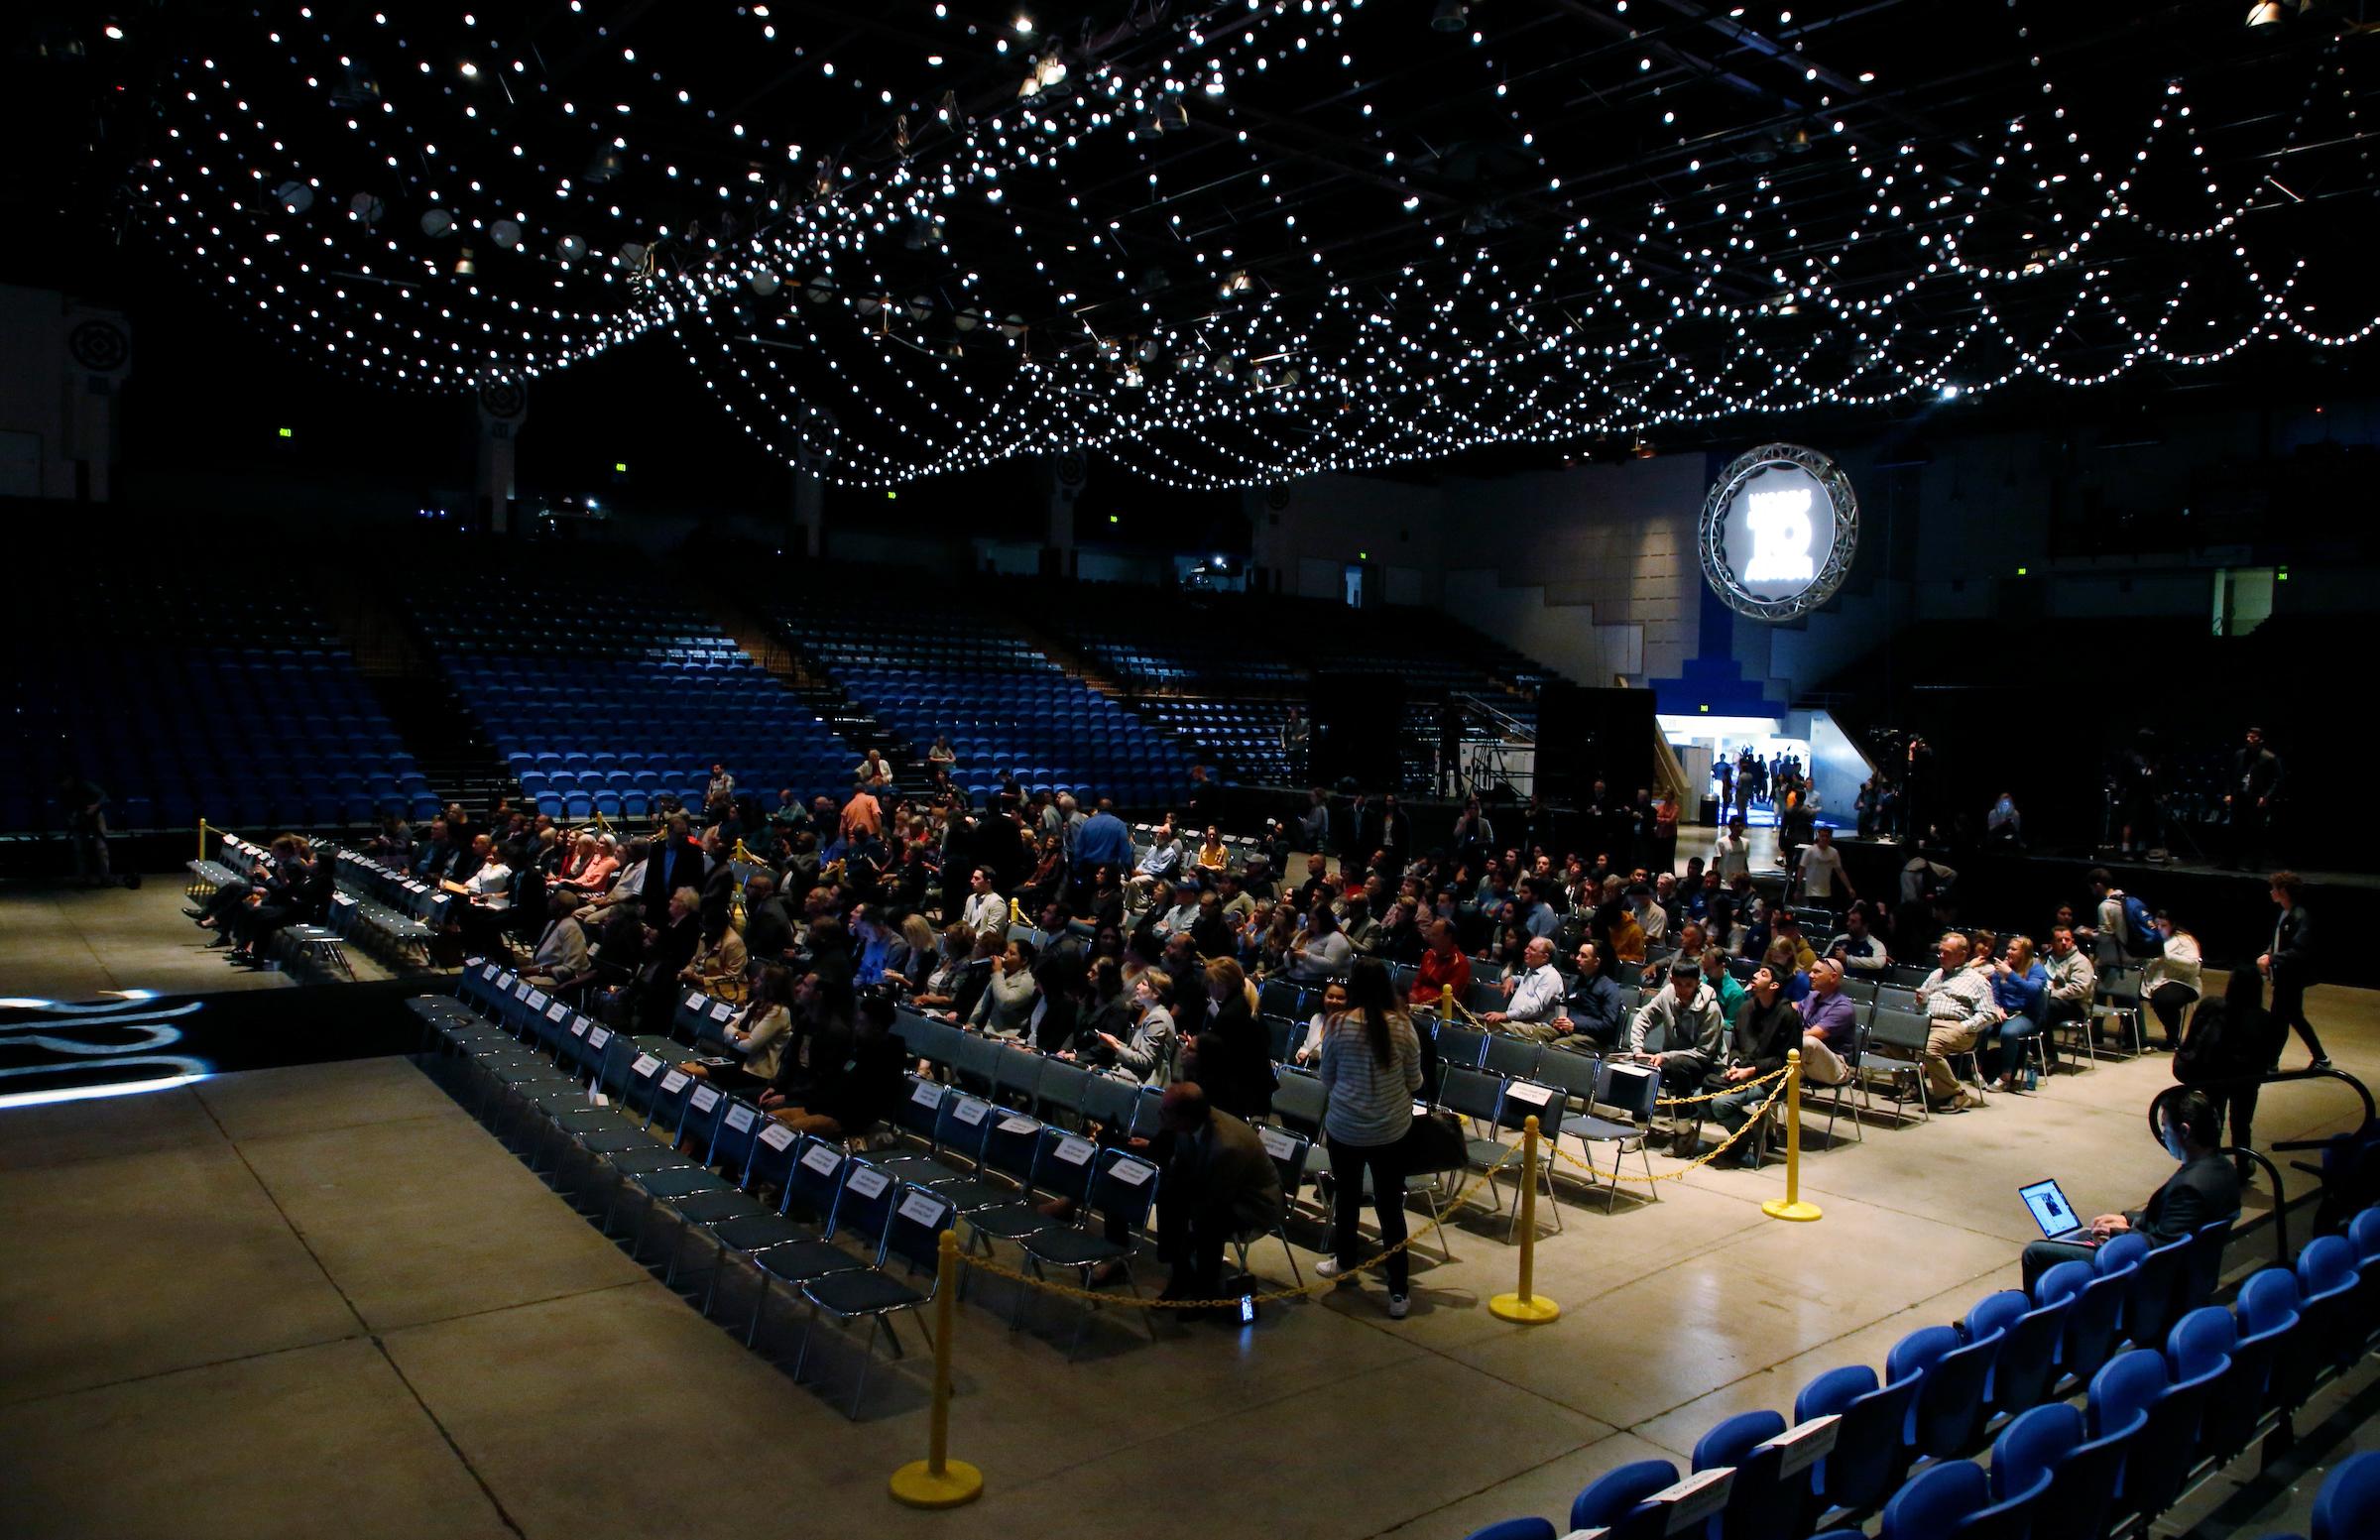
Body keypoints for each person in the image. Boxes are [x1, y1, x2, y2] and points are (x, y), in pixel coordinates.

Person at [2019, 1090, 2241, 1293]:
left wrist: (2117, 1235)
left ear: (2184, 1130)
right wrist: (2126, 1219)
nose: (2163, 1136)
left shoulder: (2190, 1186)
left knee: (2036, 1252)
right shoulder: (2223, 1169)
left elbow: (2163, 1249)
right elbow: (2173, 1224)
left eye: (2165, 1127)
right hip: (2192, 1270)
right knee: (2082, 1237)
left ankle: (2038, 1326)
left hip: (2152, 1277)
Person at [1314, 957, 1424, 1318]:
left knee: (1345, 1197)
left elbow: (1326, 1076)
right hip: (1391, 1130)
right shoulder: (1404, 1026)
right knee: (1390, 1207)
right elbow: (1415, 1080)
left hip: (1345, 1128)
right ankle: (1397, 1290)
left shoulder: (1338, 1024)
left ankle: (1345, 1261)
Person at [1148, 1082, 1286, 1311]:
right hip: (1212, 1186)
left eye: (1165, 1111)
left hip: (1254, 1203)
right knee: (1168, 1199)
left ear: (1185, 1117)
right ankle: (1180, 1275)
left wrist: (1188, 1230)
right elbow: (1179, 1168)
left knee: (1208, 1224)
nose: (1159, 1114)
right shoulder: (1185, 1126)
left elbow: (1216, 1199)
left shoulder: (1227, 1145)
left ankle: (1204, 1293)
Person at [2175, 966, 2279, 1181]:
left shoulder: (2212, 1007)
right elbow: (2270, 1056)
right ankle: (2242, 1164)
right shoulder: (2265, 1019)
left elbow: (2192, 1039)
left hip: (2214, 1076)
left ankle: (2209, 1166)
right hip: (2246, 1080)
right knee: (2242, 1124)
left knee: (2213, 1121)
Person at [1707, 966, 1802, 1166]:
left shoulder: (1788, 1016)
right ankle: (1748, 1133)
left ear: (1774, 985)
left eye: (1763, 974)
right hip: (1741, 1073)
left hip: (1771, 1079)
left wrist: (1752, 1070)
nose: (1755, 975)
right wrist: (1735, 1064)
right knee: (1699, 1096)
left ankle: (1745, 1139)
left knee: (1719, 1104)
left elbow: (1785, 1060)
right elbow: (1736, 1047)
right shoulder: (1745, 1009)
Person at [1913, 932, 2002, 1112]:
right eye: (1940, 951)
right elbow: (1920, 1004)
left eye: (1947, 952)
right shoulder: (1936, 974)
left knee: (1929, 1048)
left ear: (1962, 955)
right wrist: (1921, 1002)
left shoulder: (1977, 981)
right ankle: (1912, 1084)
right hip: (1927, 1021)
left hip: (1956, 1027)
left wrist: (1964, 1026)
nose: (1941, 956)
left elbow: (1988, 1014)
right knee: (1889, 1034)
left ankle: (1955, 1095)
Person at [1624, 958, 1729, 1103]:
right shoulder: (1667, 994)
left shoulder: (1711, 1010)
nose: (1683, 989)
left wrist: (1666, 1056)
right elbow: (1643, 1018)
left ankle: (1683, 1119)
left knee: (1679, 1064)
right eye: (1679, 984)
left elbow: (1704, 1053)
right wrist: (1638, 1051)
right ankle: (1640, 1119)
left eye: (1688, 985)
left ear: (1698, 983)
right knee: (1645, 1063)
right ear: (1671, 980)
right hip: (1672, 1057)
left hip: (1707, 1065)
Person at [1186, 957, 1274, 1121]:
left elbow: (1220, 1057)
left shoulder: (1231, 1014)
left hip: (1237, 1090)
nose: (1208, 987)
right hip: (1250, 1085)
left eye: (1210, 982)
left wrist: (1197, 1047)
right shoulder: (1245, 1003)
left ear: (1222, 984)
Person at [2259, 871, 2327, 1070]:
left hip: (2292, 977)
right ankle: (2274, 1062)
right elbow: (2280, 943)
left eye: (2274, 888)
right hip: (2284, 976)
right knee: (2286, 1019)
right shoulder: (2285, 912)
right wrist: (2269, 953)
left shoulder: (2300, 916)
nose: (2271, 892)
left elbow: (2299, 951)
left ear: (2284, 892)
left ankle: (2274, 1062)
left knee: (2283, 1020)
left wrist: (2271, 958)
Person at [699, 965, 796, 1093]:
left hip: (753, 1073)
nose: (755, 980)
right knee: (687, 1068)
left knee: (694, 1073)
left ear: (770, 986)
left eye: (761, 979)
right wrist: (740, 1035)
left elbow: (750, 1046)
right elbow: (727, 1029)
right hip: (735, 1062)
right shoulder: (757, 1003)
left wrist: (736, 1036)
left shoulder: (779, 1013)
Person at [1981, 935, 2049, 1092]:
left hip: (2027, 1014)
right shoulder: (2003, 966)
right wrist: (1997, 1008)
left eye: (2014, 949)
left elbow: (2032, 990)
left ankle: (2006, 1077)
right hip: (2005, 1012)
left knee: (2009, 1032)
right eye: (2008, 948)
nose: (2009, 951)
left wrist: (2010, 974)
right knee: (1981, 1027)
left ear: (2024, 952)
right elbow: (1995, 993)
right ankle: (1978, 1071)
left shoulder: (2036, 968)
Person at [2142, 912, 2203, 1052]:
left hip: (2184, 982)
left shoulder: (2184, 940)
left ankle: (2173, 1039)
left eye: (2163, 925)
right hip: (2156, 982)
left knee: (2164, 999)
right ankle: (2134, 1037)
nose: (2159, 928)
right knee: (2128, 992)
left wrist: (2167, 956)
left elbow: (2194, 965)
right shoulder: (2153, 939)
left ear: (2172, 925)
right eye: (2156, 925)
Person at [1483, 935, 1564, 1035]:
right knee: (1477, 1019)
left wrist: (1506, 1015)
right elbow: (1530, 981)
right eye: (1527, 947)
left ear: (1544, 957)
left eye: (1532, 949)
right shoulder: (1532, 971)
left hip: (1534, 1027)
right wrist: (1513, 978)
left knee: (1487, 1025)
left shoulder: (1551, 976)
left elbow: (1535, 1008)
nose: (1526, 951)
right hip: (1519, 1022)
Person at [2226, 726, 2282, 871]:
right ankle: (2231, 862)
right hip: (2239, 796)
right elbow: (2231, 775)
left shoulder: (2269, 757)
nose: (2249, 739)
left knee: (2256, 831)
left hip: (2256, 799)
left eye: (2253, 737)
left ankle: (2255, 864)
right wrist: (2229, 792)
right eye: (2248, 736)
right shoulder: (2240, 754)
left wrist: (2266, 796)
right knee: (2235, 830)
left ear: (2260, 740)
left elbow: (2277, 780)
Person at [1798, 957, 1856, 1088]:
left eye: (1817, 972)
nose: (1811, 975)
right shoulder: (1810, 997)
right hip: (1805, 1060)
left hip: (1836, 1067)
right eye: (1811, 971)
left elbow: (1815, 1035)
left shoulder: (1843, 1007)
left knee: (1808, 1042)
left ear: (1833, 977)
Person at [525, 890, 590, 990]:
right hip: (540, 972)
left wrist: (540, 970)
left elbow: (572, 968)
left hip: (554, 979)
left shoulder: (571, 928)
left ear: (561, 909)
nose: (549, 902)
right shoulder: (552, 922)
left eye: (553, 900)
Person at [1409, 918, 1473, 1012]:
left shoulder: (1461, 963)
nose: (1430, 939)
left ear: (1448, 937)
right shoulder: (1428, 955)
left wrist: (1420, 999)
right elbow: (1417, 982)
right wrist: (1413, 994)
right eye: (1430, 935)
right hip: (1417, 1004)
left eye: (1435, 935)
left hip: (1442, 1011)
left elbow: (1449, 997)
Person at [1793, 826, 1854, 912]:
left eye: (1827, 836)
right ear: (1818, 836)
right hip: (1811, 892)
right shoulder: (1810, 851)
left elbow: (1840, 871)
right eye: (1822, 836)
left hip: (1826, 892)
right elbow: (1801, 870)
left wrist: (1849, 888)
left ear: (1830, 838)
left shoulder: (1833, 852)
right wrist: (1798, 888)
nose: (1824, 838)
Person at [1288, 904, 1354, 984]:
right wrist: (1289, 956)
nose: (1310, 922)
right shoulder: (1304, 934)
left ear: (1324, 920)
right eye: (1309, 919)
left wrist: (1306, 957)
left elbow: (1331, 967)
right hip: (1293, 977)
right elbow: (1287, 963)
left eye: (1314, 919)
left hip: (1319, 983)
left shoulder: (1336, 938)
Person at [1295, 978, 1351, 1066]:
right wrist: (1301, 1054)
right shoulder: (1317, 1018)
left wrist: (1316, 1055)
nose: (1334, 1001)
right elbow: (1306, 1047)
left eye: (1340, 998)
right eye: (1330, 996)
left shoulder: (1351, 1027)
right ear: (1323, 998)